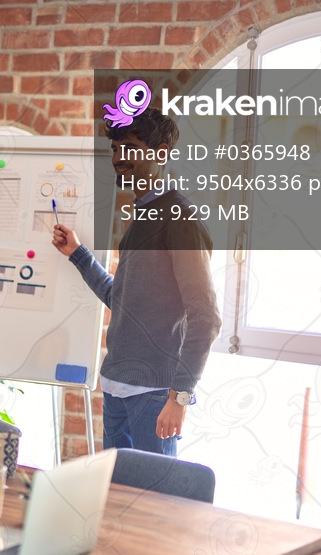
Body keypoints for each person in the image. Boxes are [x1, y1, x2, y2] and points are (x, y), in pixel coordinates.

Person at [52, 108, 221, 456]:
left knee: (154, 504)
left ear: (160, 153)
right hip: (116, 386)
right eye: (115, 148)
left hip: (154, 395)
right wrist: (78, 254)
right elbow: (123, 299)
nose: (118, 158)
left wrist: (180, 396)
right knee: (117, 499)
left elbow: (206, 318)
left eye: (128, 147)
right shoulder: (142, 215)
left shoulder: (180, 219)